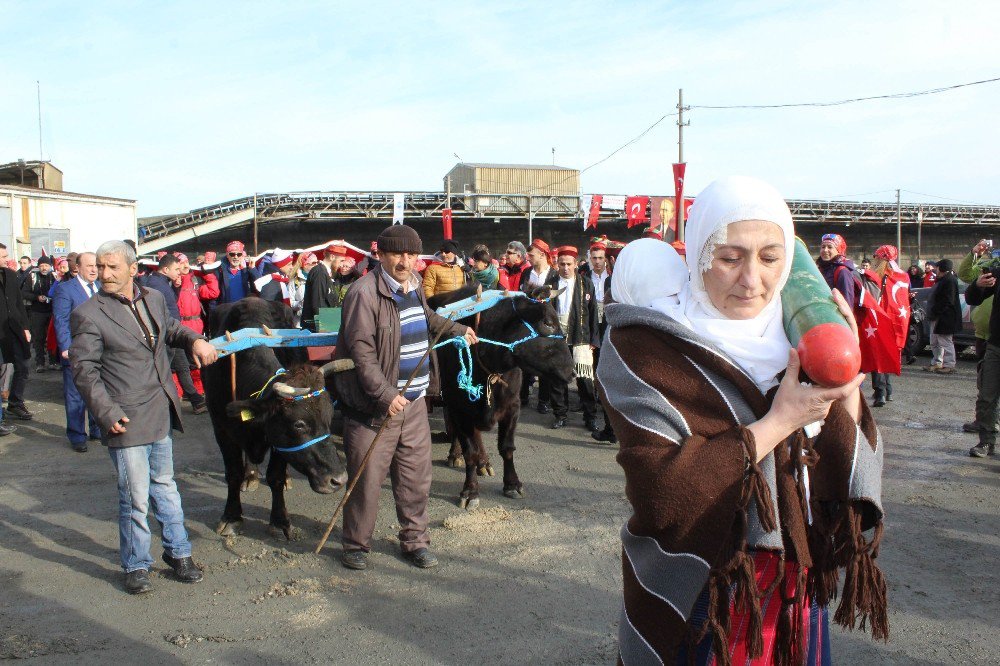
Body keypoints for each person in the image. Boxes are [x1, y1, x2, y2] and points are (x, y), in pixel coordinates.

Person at [599, 175, 886, 664]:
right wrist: (779, 421)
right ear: (696, 254)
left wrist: (845, 382)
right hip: (704, 590)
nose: (752, 280)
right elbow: (661, 491)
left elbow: (837, 471)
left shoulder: (802, 334)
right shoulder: (645, 346)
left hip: (795, 579)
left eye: (771, 258)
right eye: (729, 257)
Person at [70, 240, 219, 594]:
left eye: (112, 267)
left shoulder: (152, 297)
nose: (104, 274)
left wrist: (195, 340)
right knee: (134, 496)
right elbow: (84, 370)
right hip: (124, 418)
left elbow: (170, 329)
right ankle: (137, 564)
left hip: (160, 409)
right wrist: (106, 413)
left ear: (133, 269)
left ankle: (179, 553)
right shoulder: (89, 313)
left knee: (165, 486)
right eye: (100, 267)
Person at [332, 225, 475, 571]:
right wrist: (384, 394)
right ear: (380, 255)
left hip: (414, 404)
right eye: (397, 253)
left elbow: (425, 318)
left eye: (411, 254)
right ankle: (356, 544)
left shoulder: (412, 287)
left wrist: (457, 329)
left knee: (415, 477)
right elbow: (362, 351)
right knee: (366, 480)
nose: (405, 261)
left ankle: (415, 541)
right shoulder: (363, 293)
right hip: (374, 408)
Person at [142, 255, 207, 413]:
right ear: (165, 269)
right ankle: (160, 403)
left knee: (182, 366)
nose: (179, 273)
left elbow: (170, 303)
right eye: (176, 269)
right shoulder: (155, 285)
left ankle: (196, 400)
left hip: (172, 331)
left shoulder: (161, 282)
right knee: (168, 368)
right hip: (167, 333)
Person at [52, 252, 102, 452]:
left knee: (97, 391)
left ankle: (97, 429)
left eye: (96, 266)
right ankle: (77, 435)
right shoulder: (66, 289)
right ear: (78, 268)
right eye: (89, 266)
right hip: (75, 350)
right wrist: (65, 347)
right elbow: (60, 319)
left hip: (99, 350)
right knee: (75, 395)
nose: (93, 270)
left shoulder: (100, 288)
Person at [549, 246, 600, 432]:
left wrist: (594, 340)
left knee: (585, 381)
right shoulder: (551, 283)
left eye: (569, 264)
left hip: (581, 337)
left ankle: (590, 417)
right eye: (561, 264)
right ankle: (560, 415)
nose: (565, 268)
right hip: (557, 337)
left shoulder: (586, 283)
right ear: (557, 264)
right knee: (558, 380)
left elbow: (593, 312)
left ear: (575, 264)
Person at [963, 261, 1000, 457]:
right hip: (996, 346)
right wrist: (977, 285)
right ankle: (986, 442)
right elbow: (972, 298)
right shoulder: (998, 274)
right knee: (987, 397)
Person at [957, 240, 994, 433]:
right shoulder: (993, 266)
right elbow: (965, 275)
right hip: (985, 336)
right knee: (985, 383)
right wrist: (975, 253)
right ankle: (983, 421)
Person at [518, 238, 558, 411]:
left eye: (531, 255)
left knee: (545, 362)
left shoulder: (554, 275)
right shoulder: (526, 273)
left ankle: (543, 400)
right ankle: (523, 395)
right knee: (526, 359)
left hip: (546, 323)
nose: (528, 258)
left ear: (542, 255)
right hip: (529, 323)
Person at [0, 243, 34, 421]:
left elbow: (18, 304)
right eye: (4, 256)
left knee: (23, 366)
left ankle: (15, 403)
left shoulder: (11, 275)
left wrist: (26, 327)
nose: (8, 259)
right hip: (1, 335)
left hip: (15, 329)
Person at [924, 258, 961, 374]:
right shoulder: (942, 279)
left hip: (945, 317)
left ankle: (949, 364)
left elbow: (948, 300)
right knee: (934, 340)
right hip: (937, 316)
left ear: (942, 269)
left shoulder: (949, 280)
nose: (935, 269)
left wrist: (936, 310)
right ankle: (937, 362)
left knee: (945, 341)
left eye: (937, 267)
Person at [23, 254, 57, 372]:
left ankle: (53, 362)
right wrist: (37, 297)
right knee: (39, 338)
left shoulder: (54, 277)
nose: (44, 268)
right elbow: (24, 293)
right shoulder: (32, 277)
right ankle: (40, 363)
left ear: (50, 266)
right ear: (38, 266)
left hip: (52, 311)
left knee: (52, 337)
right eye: (42, 265)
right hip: (37, 312)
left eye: (46, 265)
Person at [301, 244, 345, 331]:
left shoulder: (327, 274)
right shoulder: (319, 273)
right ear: (332, 257)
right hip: (316, 328)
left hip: (324, 325)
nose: (341, 265)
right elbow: (318, 303)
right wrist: (329, 328)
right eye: (341, 261)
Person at [816, 233, 858, 307]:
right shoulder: (821, 269)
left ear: (838, 251)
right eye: (823, 247)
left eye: (830, 247)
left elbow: (847, 303)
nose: (825, 250)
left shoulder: (843, 272)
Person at [211, 240, 252, 307]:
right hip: (227, 310)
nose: (235, 257)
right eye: (232, 254)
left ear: (242, 256)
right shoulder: (220, 271)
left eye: (239, 254)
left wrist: (253, 269)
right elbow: (214, 294)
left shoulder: (247, 270)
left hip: (244, 309)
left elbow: (260, 287)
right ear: (227, 255)